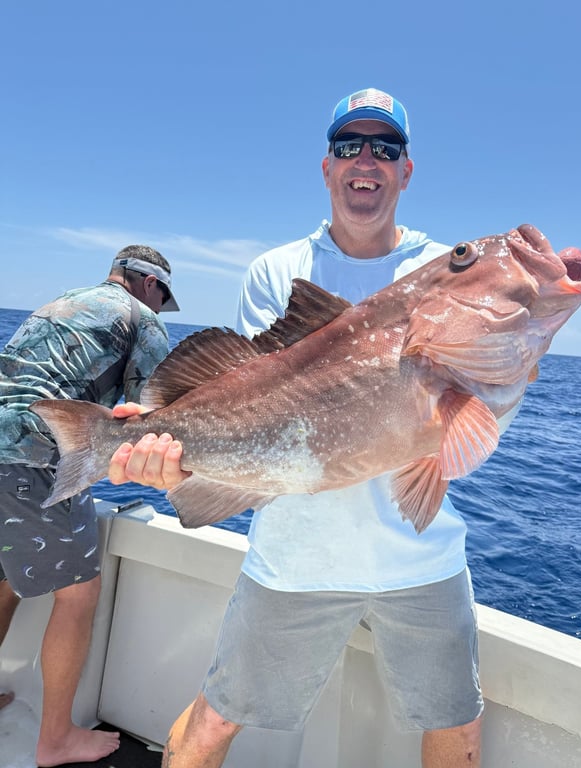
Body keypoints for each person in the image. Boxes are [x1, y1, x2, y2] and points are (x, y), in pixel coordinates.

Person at [109, 89, 485, 767]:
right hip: (295, 559)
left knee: (457, 728)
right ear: (327, 166)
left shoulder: (444, 270)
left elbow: (464, 422)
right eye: (349, 145)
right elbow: (255, 399)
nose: (365, 158)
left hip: (422, 560)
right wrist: (168, 445)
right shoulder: (278, 271)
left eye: (384, 147)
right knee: (213, 723)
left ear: (406, 170)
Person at [0, 244, 179, 766]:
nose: (162, 307)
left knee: (5, 578)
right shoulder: (143, 320)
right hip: (36, 457)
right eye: (163, 296)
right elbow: (145, 414)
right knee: (79, 593)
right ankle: (55, 739)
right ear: (149, 283)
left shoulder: (60, 303)